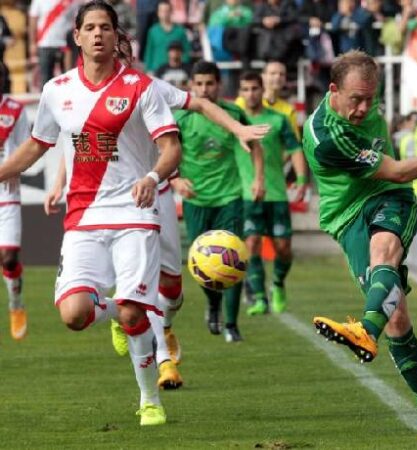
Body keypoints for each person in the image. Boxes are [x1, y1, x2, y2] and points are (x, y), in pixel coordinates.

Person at [1, 0, 183, 426]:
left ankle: (149, 400)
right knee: (74, 315)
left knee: (135, 312)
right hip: (82, 218)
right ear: (77, 36)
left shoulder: (141, 87)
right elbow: (35, 147)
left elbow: (171, 148)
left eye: (106, 27)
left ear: (117, 36)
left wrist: (153, 178)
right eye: (91, 27)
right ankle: (116, 309)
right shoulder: (57, 90)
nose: (98, 34)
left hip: (135, 215)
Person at [45, 76, 270, 388]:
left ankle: (161, 327)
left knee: (173, 290)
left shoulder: (147, 87)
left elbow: (201, 105)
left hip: (158, 191)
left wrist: (238, 129)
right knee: (139, 291)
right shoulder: (80, 93)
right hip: (128, 203)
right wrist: (60, 182)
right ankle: (163, 365)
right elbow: (78, 142)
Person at [303, 50, 417, 440]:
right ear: (333, 91)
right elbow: (398, 167)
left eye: (371, 98)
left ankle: (365, 330)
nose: (365, 108)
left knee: (384, 251)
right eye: (356, 99)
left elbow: (396, 180)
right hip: (347, 217)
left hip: (390, 196)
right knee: (397, 317)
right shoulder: (326, 137)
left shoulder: (365, 99)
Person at [172, 60, 265, 343]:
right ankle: (213, 303)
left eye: (209, 83)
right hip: (196, 200)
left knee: (234, 258)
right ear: (191, 86)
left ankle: (232, 324)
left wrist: (258, 178)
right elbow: (162, 150)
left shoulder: (233, 113)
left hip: (229, 197)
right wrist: (175, 179)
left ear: (219, 84)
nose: (204, 89)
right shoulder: (181, 117)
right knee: (200, 262)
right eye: (198, 84)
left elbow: (254, 144)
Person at [236, 71, 305, 315]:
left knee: (283, 247)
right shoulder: (235, 121)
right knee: (252, 243)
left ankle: (277, 283)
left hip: (276, 193)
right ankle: (258, 297)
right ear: (240, 93)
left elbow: (296, 148)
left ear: (262, 90)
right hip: (247, 194)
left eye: (255, 89)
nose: (250, 94)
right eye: (245, 89)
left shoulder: (277, 120)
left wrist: (301, 179)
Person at [0, 62, 30, 340]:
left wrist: (12, 169)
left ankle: (16, 303)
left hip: (6, 193)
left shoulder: (14, 110)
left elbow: (25, 149)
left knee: (8, 258)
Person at [28, 0, 80, 87]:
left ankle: (66, 99)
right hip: (45, 44)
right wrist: (32, 43)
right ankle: (47, 100)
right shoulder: (38, 1)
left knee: (68, 78)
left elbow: (76, 21)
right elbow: (33, 21)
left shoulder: (72, 1)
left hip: (66, 45)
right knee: (45, 78)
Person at [144, 1, 191, 75]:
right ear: (158, 13)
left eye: (167, 11)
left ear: (171, 12)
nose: (164, 14)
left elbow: (186, 51)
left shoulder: (180, 31)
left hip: (176, 71)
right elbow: (149, 52)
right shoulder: (152, 31)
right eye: (162, 11)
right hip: (156, 70)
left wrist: (184, 68)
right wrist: (148, 70)